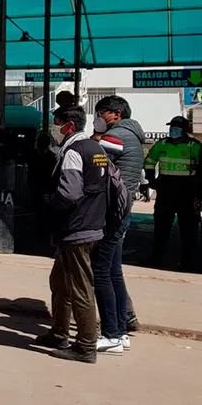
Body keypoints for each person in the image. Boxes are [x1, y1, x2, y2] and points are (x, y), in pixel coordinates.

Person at [35, 105, 107, 364]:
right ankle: (59, 332)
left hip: (77, 228)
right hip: (89, 224)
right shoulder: (95, 149)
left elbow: (69, 193)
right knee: (59, 282)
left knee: (79, 287)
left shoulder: (75, 151)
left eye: (58, 123)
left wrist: (49, 201)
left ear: (70, 126)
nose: (56, 128)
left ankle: (86, 345)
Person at [90, 95, 145, 351]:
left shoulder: (117, 136)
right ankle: (120, 329)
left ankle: (111, 333)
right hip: (124, 208)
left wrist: (95, 139)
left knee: (101, 272)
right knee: (114, 272)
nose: (99, 118)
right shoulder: (133, 135)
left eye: (102, 113)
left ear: (116, 114)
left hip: (111, 211)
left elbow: (95, 167)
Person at [144, 116, 201, 271]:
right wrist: (151, 180)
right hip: (165, 190)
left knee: (189, 229)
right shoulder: (161, 144)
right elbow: (149, 162)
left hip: (187, 191)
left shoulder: (194, 146)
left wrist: (198, 193)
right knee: (161, 227)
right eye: (171, 127)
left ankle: (188, 261)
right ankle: (156, 257)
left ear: (185, 130)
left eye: (177, 128)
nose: (173, 130)